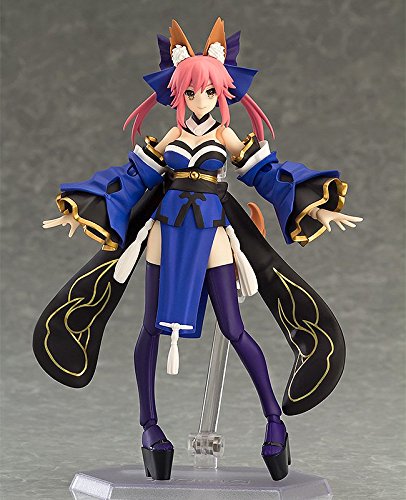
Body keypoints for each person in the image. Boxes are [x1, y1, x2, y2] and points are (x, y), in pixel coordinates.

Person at [38, 18, 362, 481]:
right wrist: (82, 209)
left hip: (212, 233)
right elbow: (130, 180)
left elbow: (270, 175)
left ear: (223, 92)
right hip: (165, 233)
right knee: (150, 328)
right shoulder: (170, 139)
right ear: (177, 94)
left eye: (209, 91)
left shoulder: (225, 138)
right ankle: (150, 428)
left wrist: (316, 207)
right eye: (190, 92)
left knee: (234, 328)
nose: (200, 99)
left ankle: (274, 422)